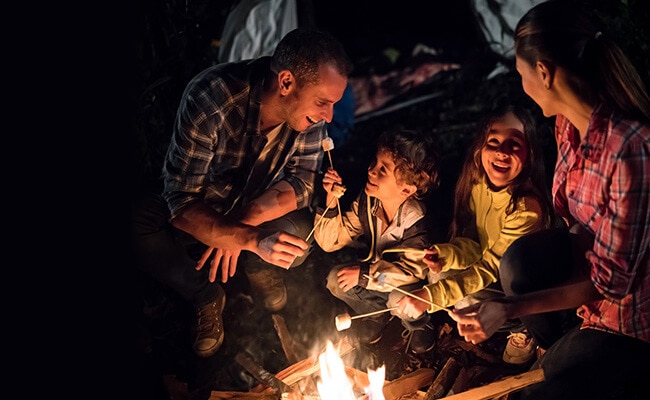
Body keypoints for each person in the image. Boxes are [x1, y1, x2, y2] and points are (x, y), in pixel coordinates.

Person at [449, 1, 650, 399]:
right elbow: (575, 224)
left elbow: (611, 284)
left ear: (543, 72)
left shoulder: (631, 149)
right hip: (591, 291)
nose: (521, 84)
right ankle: (563, 347)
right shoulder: (568, 127)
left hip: (633, 316)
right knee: (521, 264)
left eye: (521, 73)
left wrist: (508, 310)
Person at [132, 27, 353, 366]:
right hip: (205, 205)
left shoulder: (311, 119)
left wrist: (242, 232)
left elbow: (304, 183)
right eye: (323, 102)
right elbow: (182, 201)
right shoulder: (212, 96)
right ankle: (204, 294)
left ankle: (255, 265)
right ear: (286, 82)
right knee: (139, 222)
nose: (329, 116)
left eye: (333, 105)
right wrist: (247, 237)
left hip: (255, 206)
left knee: (297, 239)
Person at [387, 103, 555, 355]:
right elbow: (476, 244)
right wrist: (446, 255)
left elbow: (489, 266)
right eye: (494, 141)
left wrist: (428, 299)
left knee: (465, 299)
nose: (501, 152)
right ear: (481, 147)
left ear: (530, 154)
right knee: (437, 275)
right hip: (494, 269)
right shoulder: (480, 186)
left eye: (514, 144)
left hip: (525, 286)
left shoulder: (526, 208)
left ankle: (522, 325)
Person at [313, 129, 441, 347]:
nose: (371, 171)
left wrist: (364, 275)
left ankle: (420, 324)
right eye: (375, 162)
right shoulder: (369, 202)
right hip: (379, 279)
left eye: (384, 169)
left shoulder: (416, 221)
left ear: (406, 189)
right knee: (336, 280)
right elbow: (329, 241)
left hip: (408, 286)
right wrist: (331, 200)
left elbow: (410, 273)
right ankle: (376, 316)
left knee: (396, 300)